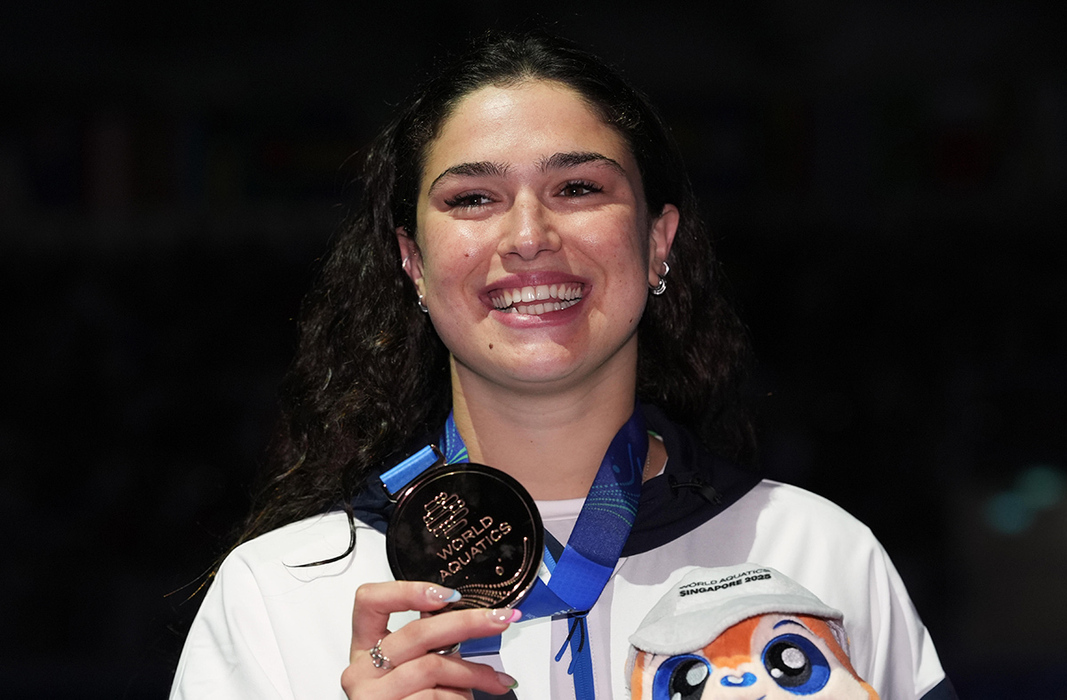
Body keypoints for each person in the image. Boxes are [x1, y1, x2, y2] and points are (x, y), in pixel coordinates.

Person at [170, 32, 955, 700]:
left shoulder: (814, 557)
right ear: (412, 263)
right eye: (472, 198)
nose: (527, 236)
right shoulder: (278, 593)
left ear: (656, 241)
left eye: (577, 188)